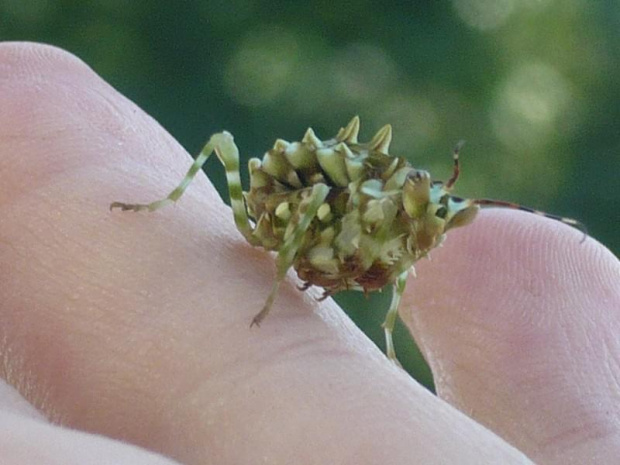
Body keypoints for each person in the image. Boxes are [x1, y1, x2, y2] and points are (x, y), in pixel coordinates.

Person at [0, 42, 618, 464]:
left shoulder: (389, 231)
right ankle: (163, 204)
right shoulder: (333, 205)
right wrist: (274, 288)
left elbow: (393, 268)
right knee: (222, 143)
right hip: (270, 212)